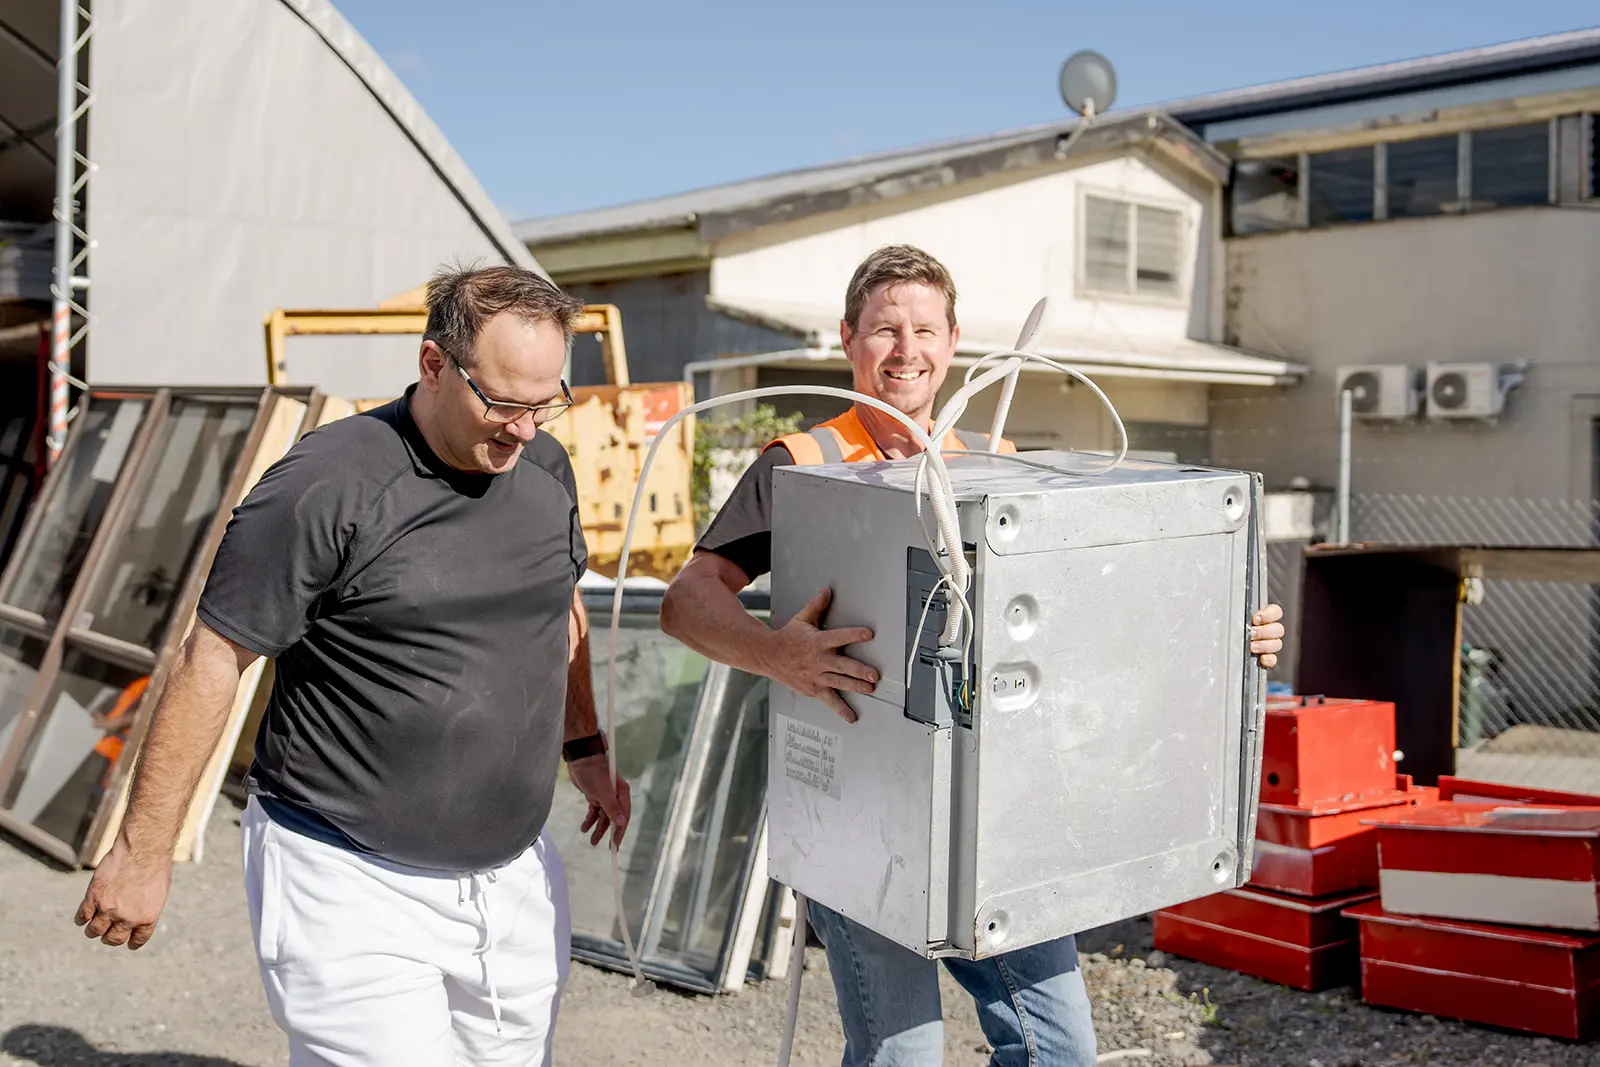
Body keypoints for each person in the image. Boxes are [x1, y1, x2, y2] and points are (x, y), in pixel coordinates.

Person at [660, 244, 1285, 1066]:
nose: (906, 350)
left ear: (954, 343)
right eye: (885, 330)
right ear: (849, 340)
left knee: (1058, 1047)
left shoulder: (996, 461)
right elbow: (686, 599)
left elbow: (1087, 619)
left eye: (925, 329)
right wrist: (778, 654)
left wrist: (1227, 633)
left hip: (992, 804)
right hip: (865, 804)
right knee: (904, 1055)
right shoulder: (803, 463)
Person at [73, 264, 633, 1067]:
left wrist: (586, 749)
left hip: (510, 878)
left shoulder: (544, 471)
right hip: (348, 877)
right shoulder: (326, 483)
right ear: (434, 364)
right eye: (504, 402)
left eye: (546, 401)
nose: (525, 429)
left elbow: (558, 615)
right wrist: (142, 850)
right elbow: (212, 659)